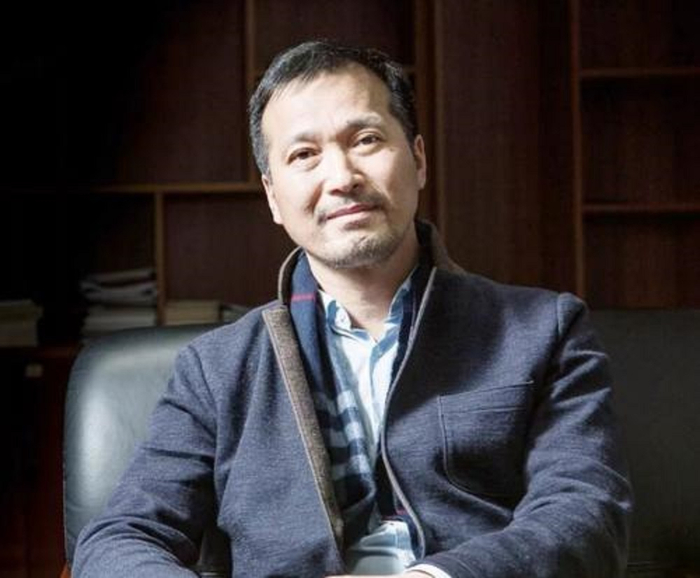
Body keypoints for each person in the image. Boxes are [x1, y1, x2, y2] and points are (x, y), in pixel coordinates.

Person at [73, 40, 632, 578]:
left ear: (418, 159)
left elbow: (587, 513)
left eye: (366, 140)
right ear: (273, 196)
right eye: (304, 155)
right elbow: (120, 539)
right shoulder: (215, 371)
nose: (341, 178)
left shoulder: (544, 330)